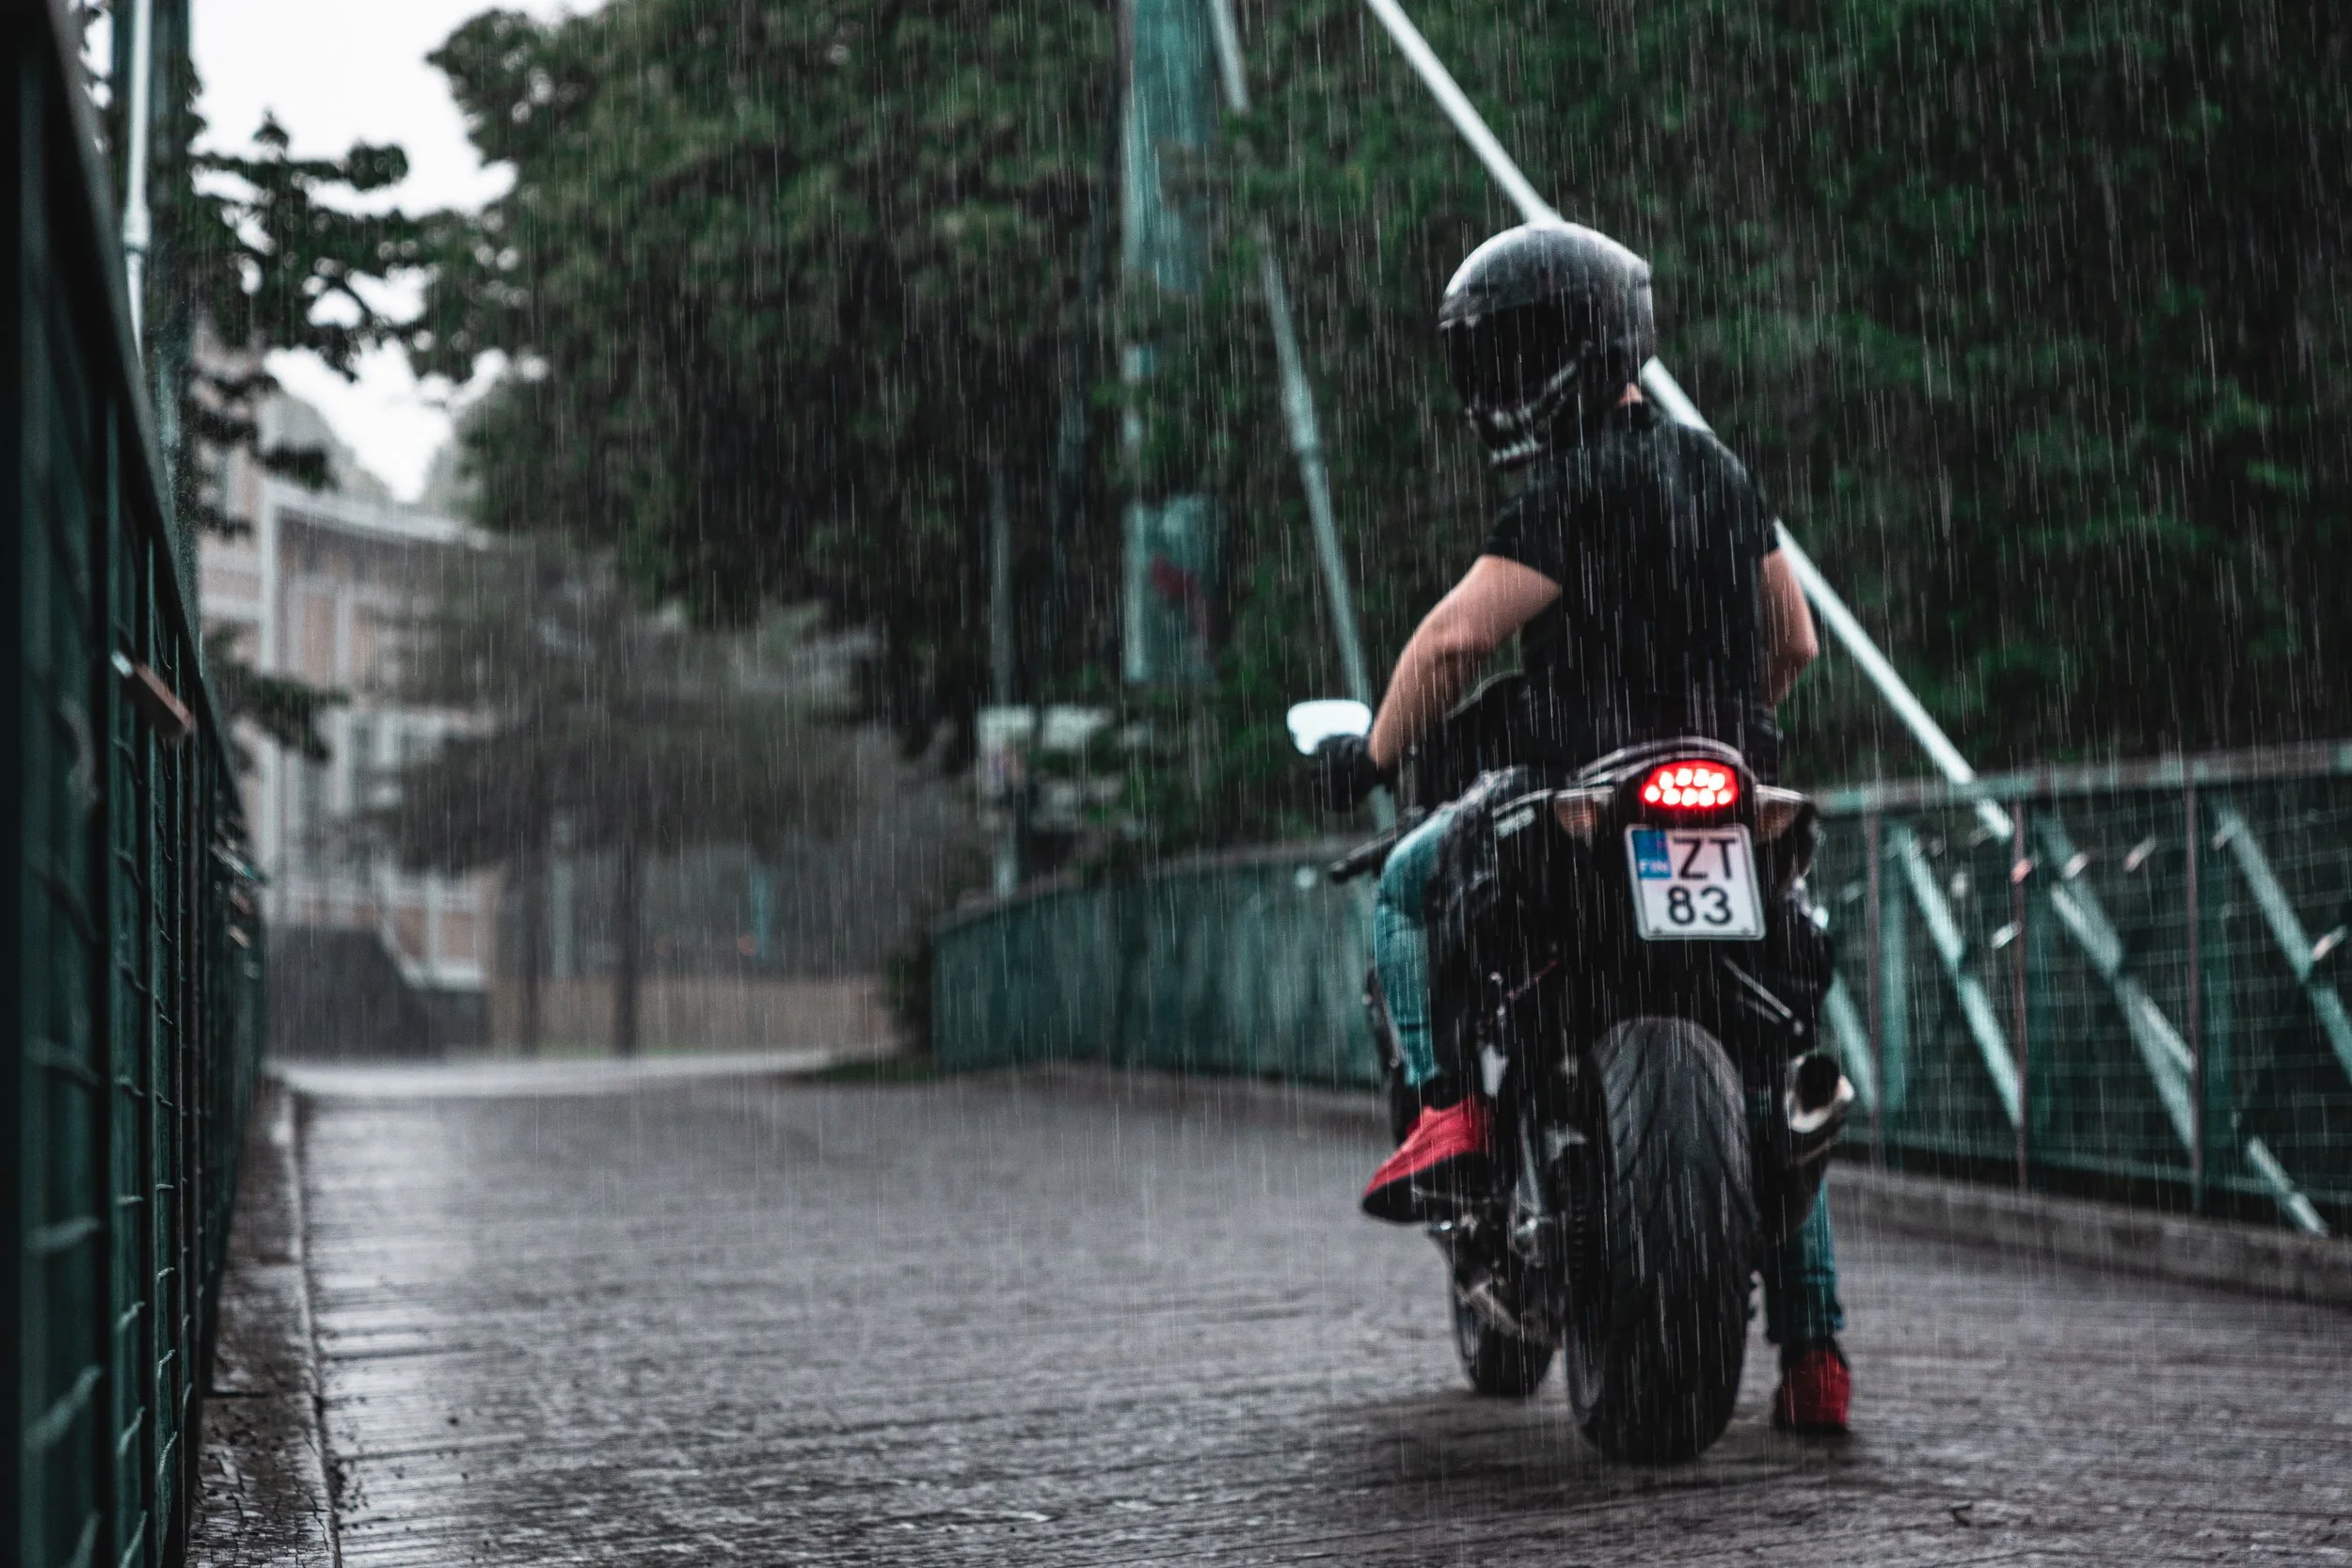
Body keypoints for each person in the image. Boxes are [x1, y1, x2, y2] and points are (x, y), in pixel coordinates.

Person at [1311, 222, 1850, 1434]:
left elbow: (1454, 643)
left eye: (1507, 354)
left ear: (1553, 356)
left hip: (1583, 796)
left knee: (1404, 890)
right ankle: (1816, 1354)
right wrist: (1718, 735)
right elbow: (1798, 642)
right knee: (1768, 1048)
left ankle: (1449, 1108)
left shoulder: (1571, 488)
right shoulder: (1719, 472)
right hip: (1734, 784)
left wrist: (1374, 753)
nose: (1495, 383)